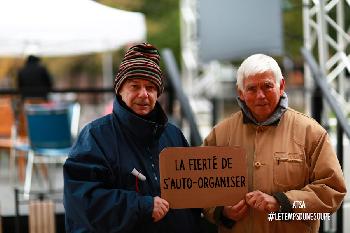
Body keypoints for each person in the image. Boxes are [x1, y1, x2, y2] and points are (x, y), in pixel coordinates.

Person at [63, 43, 201, 233]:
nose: (143, 94)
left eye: (151, 87)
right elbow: (82, 201)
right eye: (135, 86)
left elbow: (195, 193)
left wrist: (222, 212)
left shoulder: (173, 135)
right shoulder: (95, 136)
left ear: (158, 93)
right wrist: (141, 206)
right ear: (120, 89)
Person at [202, 54, 346, 233]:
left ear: (281, 86)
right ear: (240, 92)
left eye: (267, 86)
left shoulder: (311, 133)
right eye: (252, 89)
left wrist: (282, 203)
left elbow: (331, 193)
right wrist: (222, 212)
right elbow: (201, 191)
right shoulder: (219, 135)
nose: (260, 95)